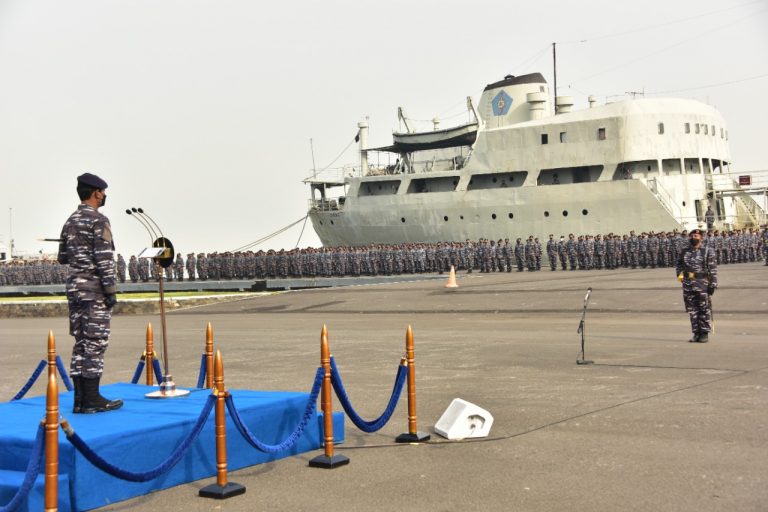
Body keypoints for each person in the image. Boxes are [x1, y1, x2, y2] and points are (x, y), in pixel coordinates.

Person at [57, 173, 123, 413]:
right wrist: (110, 290)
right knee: (95, 343)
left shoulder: (70, 221)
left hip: (74, 289)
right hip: (93, 290)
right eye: (103, 192)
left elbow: (62, 257)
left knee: (81, 343)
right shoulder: (99, 220)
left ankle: (80, 399)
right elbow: (104, 259)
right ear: (96, 192)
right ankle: (92, 398)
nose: (104, 196)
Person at [675, 228, 717, 343]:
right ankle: (696, 333)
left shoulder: (708, 251)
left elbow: (712, 268)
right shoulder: (684, 251)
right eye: (692, 236)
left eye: (696, 236)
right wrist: (680, 277)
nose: (693, 238)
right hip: (688, 284)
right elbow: (678, 265)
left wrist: (712, 284)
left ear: (701, 238)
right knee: (692, 310)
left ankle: (704, 333)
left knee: (703, 308)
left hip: (702, 283)